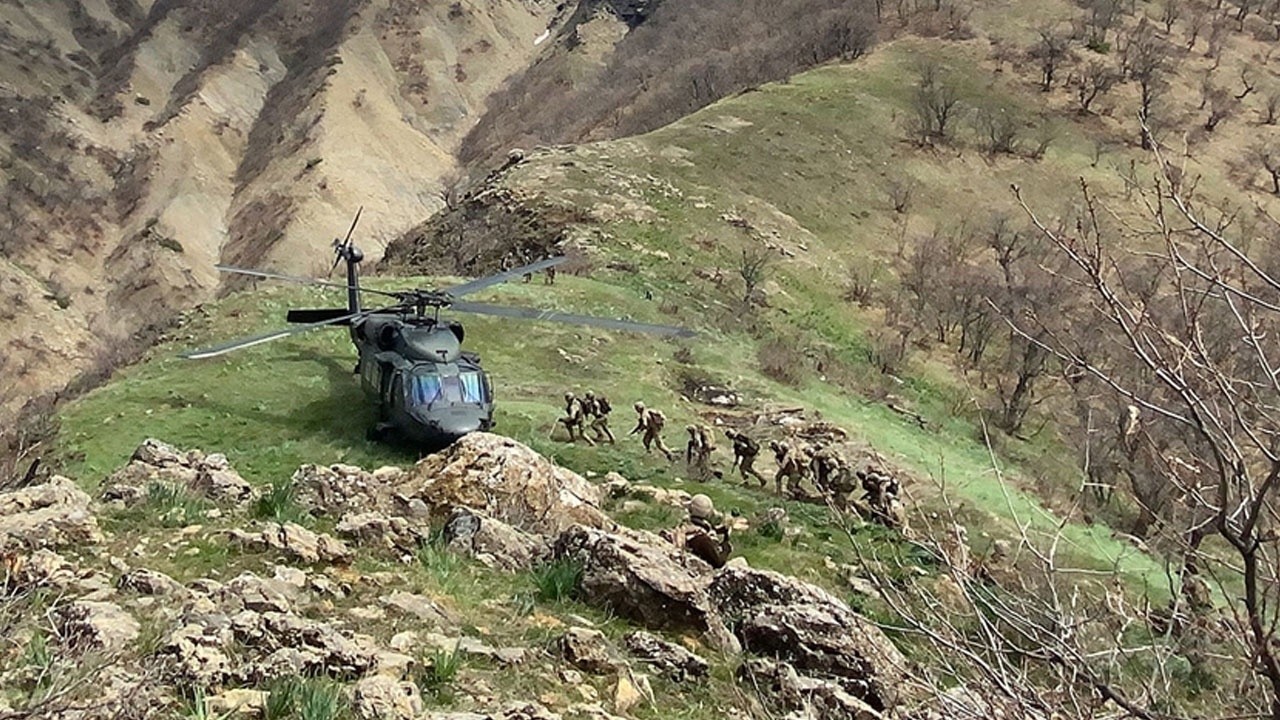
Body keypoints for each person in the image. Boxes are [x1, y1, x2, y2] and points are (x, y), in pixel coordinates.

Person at [674, 494, 732, 568]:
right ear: (708, 514)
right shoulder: (702, 539)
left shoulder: (686, 526)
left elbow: (708, 529)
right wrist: (726, 547)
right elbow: (718, 562)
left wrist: (718, 530)